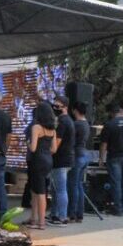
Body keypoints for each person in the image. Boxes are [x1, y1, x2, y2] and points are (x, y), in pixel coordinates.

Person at [99, 106, 123, 216]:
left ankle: (117, 208)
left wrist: (101, 158)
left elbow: (104, 144)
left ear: (114, 113)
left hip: (114, 157)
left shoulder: (109, 124)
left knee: (116, 183)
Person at [26, 102, 59, 230]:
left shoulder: (36, 128)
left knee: (39, 192)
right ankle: (34, 219)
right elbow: (54, 149)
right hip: (48, 159)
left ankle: (41, 222)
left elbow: (33, 148)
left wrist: (28, 142)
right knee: (37, 189)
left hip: (37, 160)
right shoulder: (52, 130)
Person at [49, 96, 76, 225]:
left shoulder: (63, 122)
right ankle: (54, 214)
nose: (55, 108)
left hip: (61, 159)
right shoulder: (67, 120)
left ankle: (62, 217)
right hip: (65, 159)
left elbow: (56, 144)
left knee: (60, 189)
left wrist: (48, 151)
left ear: (65, 107)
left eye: (57, 106)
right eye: (54, 105)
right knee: (56, 189)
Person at [68, 101, 92, 223]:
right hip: (84, 155)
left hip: (76, 156)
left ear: (75, 110)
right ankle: (79, 214)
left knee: (73, 186)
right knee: (78, 185)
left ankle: (72, 214)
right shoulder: (86, 123)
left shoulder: (75, 124)